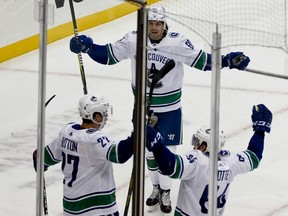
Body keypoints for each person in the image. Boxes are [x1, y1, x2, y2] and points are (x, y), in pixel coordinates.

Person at [69, 5, 251, 214]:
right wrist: (89, 48)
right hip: (143, 107)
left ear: (165, 24)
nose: (154, 28)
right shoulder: (133, 39)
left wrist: (227, 61)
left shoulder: (177, 42)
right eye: (151, 23)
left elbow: (203, 61)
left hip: (170, 110)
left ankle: (165, 190)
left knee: (167, 151)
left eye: (158, 23)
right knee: (148, 152)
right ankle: (156, 188)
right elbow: (109, 55)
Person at [145, 104, 272, 216]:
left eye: (197, 141)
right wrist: (260, 131)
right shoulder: (229, 161)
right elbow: (254, 157)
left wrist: (156, 142)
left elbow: (169, 165)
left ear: (204, 146)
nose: (195, 144)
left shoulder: (197, 161)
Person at [33, 94, 134, 216]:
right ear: (96, 116)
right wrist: (138, 135)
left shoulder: (67, 131)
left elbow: (44, 158)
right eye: (103, 114)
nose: (106, 117)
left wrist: (38, 158)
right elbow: (120, 154)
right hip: (97, 208)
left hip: (71, 207)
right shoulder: (93, 139)